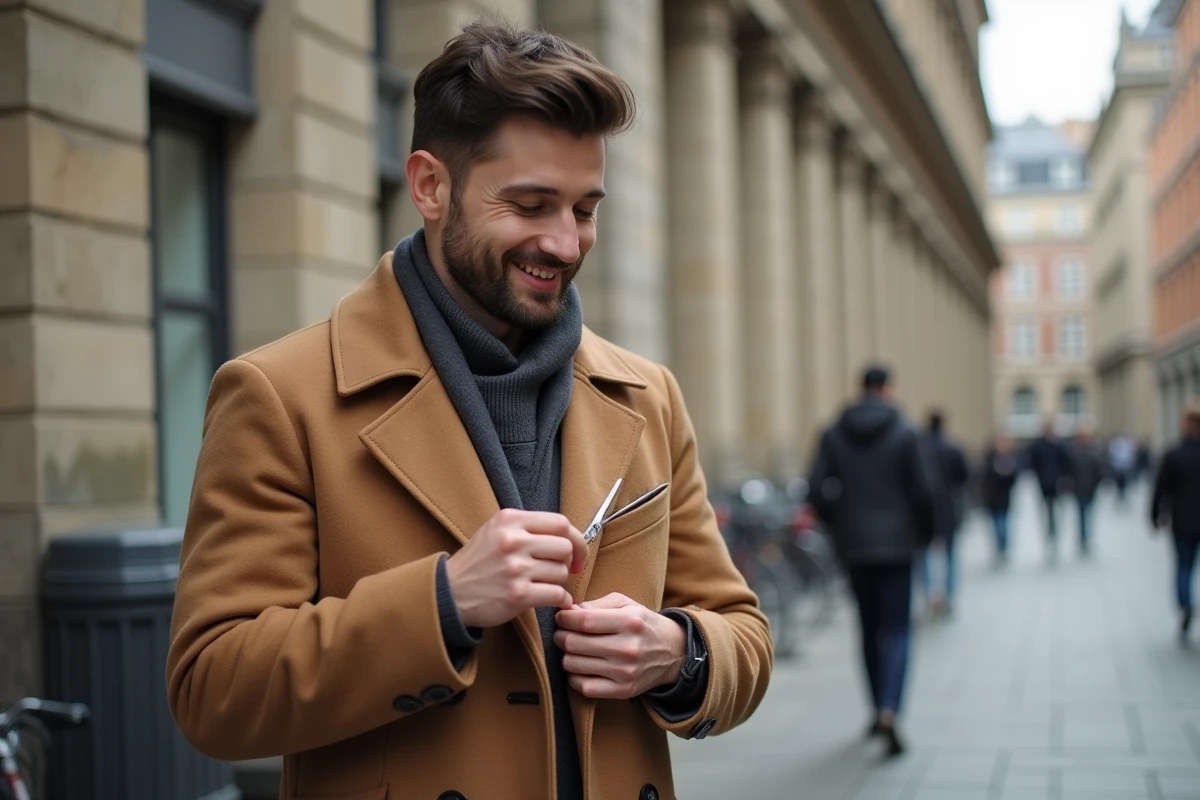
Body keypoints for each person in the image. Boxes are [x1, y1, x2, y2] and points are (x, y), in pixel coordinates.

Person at [165, 22, 772, 800]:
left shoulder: (648, 395)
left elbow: (743, 635)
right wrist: (443, 603)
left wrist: (679, 654)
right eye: (531, 205)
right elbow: (213, 689)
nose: (566, 243)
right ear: (430, 186)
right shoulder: (280, 395)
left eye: (585, 210)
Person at [808, 366, 934, 757]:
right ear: (888, 389)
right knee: (897, 629)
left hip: (855, 545)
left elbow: (815, 489)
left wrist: (840, 522)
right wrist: (923, 533)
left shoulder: (835, 432)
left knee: (867, 629)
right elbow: (924, 490)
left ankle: (876, 705)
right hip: (897, 546)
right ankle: (890, 708)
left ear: (861, 388)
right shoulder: (905, 431)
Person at [1151, 403, 1200, 645]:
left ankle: (1185, 605)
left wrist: (1155, 515)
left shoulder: (1174, 453)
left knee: (1184, 565)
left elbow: (1161, 488)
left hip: (1183, 520)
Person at [919, 410, 969, 617]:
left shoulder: (920, 448)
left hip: (925, 510)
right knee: (949, 554)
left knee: (925, 555)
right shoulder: (953, 447)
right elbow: (964, 477)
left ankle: (930, 594)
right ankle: (948, 595)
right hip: (948, 508)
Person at [1027, 421, 1072, 562]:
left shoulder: (1059, 445)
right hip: (1044, 484)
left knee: (1056, 512)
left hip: (1056, 484)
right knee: (1047, 512)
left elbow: (1066, 463)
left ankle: (1054, 534)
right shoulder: (1038, 446)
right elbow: (1032, 462)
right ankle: (1050, 534)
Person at [979, 435, 1020, 563]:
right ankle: (999, 547)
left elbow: (1014, 478)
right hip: (992, 496)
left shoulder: (1010, 458)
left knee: (1003, 522)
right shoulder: (991, 458)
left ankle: (1003, 547)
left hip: (1004, 496)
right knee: (996, 523)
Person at [1069, 426, 1106, 556]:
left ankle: (1086, 538)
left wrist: (1098, 483)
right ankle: (1083, 539)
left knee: (1089, 515)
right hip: (1079, 489)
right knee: (1082, 515)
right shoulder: (1074, 452)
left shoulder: (1094, 452)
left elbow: (1099, 471)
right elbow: (1070, 472)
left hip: (1091, 489)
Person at [1108, 432, 1136, 505]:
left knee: (1123, 482)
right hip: (1119, 467)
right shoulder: (1116, 443)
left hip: (1123, 467)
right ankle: (1120, 494)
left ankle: (1122, 494)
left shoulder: (1127, 444)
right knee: (1120, 482)